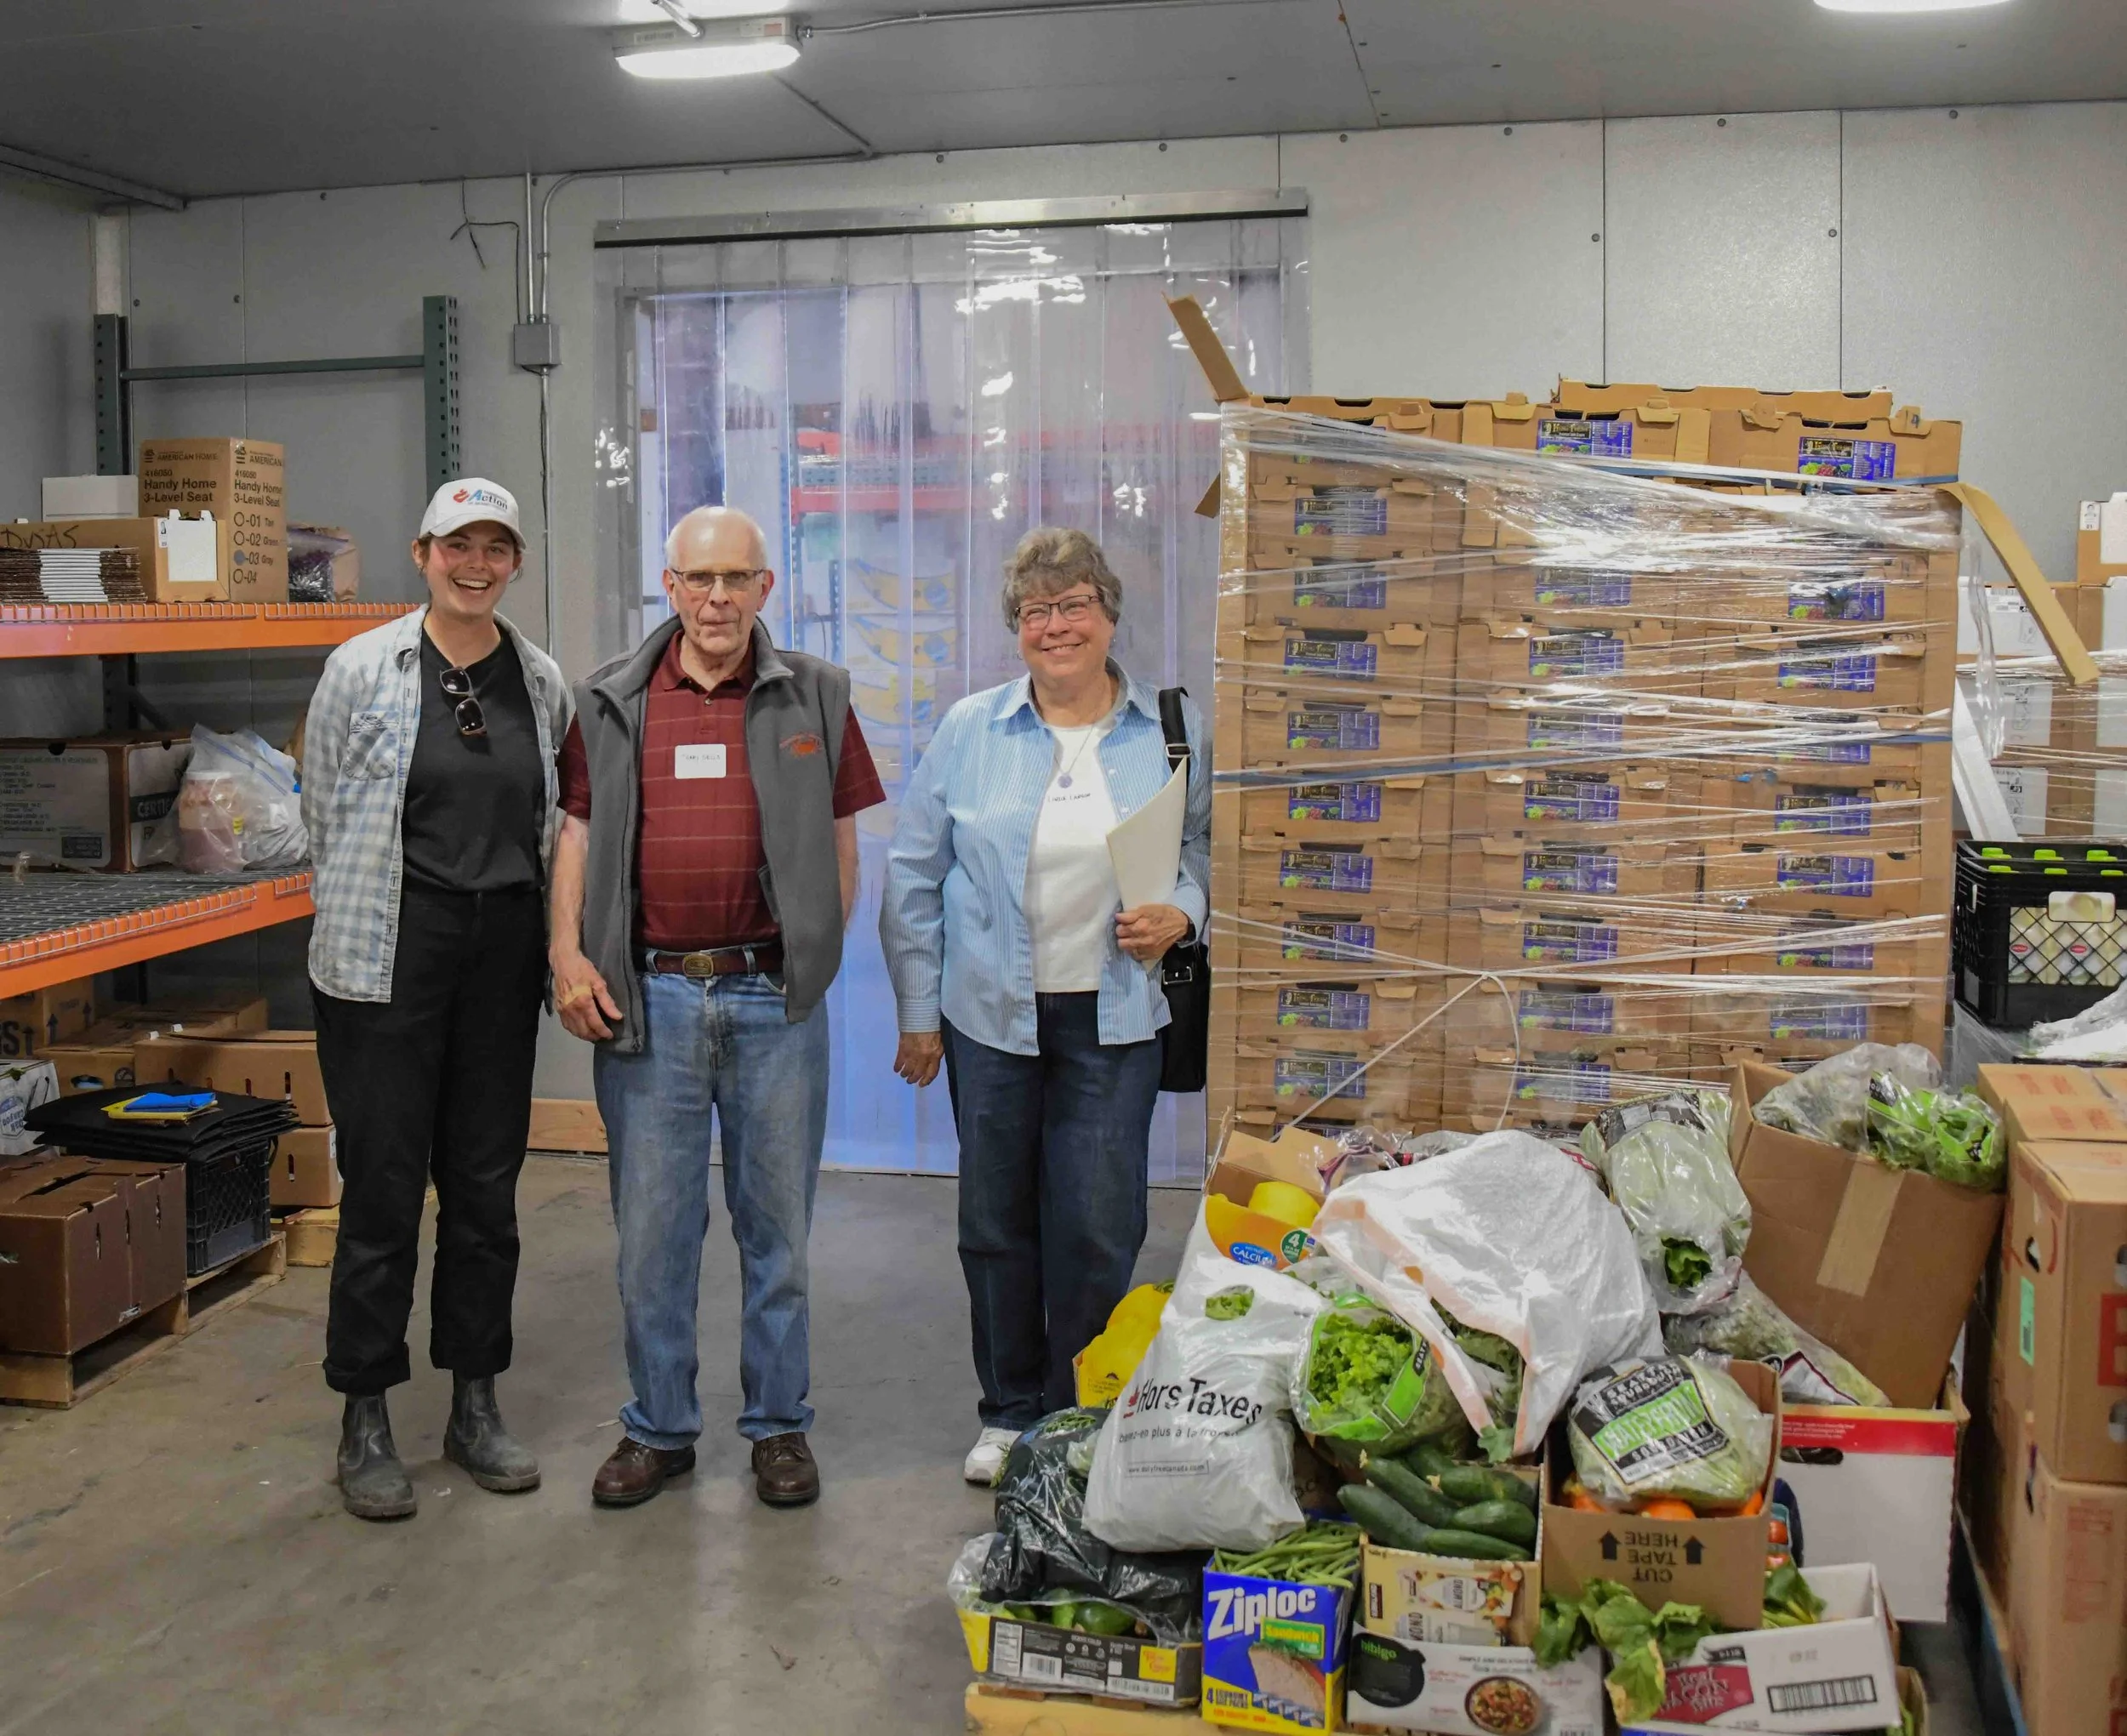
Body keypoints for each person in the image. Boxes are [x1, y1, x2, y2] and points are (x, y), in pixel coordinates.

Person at [550, 504, 887, 1511]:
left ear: (766, 589)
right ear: (671, 586)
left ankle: (779, 1427)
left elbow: (840, 837)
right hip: (647, 1000)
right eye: (700, 579)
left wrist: (815, 959)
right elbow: (573, 835)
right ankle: (658, 1428)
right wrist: (566, 953)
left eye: (738, 578)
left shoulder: (816, 696)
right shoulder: (609, 698)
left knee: (775, 1229)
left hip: (769, 997)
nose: (718, 598)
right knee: (653, 1232)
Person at [880, 526, 1211, 1486]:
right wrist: (916, 1011)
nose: (1055, 625)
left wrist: (1181, 914)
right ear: (1014, 628)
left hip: (1114, 1020)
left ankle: (1085, 1411)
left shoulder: (1169, 727)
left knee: (1100, 1225)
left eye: (1073, 606)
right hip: (991, 1018)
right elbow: (913, 874)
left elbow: (1202, 852)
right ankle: (1008, 1408)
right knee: (995, 1221)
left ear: (1109, 616)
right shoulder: (969, 731)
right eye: (1036, 611)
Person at [301, 477, 572, 1521]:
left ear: (513, 563)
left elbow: (548, 819)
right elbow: (321, 809)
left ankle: (474, 1401)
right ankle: (363, 1412)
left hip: (500, 959)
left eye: (496, 547)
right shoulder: (362, 669)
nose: (477, 562)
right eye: (458, 544)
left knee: (485, 1192)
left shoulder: (539, 679)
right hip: (386, 956)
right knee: (380, 1191)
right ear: (423, 553)